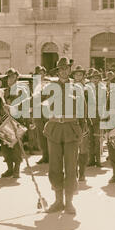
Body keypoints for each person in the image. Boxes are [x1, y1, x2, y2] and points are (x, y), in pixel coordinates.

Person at [42, 57, 86, 214]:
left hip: (71, 129)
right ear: (58, 71)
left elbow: (83, 111)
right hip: (54, 129)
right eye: (61, 69)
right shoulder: (50, 87)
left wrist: (82, 131)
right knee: (54, 166)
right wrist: (12, 107)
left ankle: (69, 202)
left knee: (71, 166)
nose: (64, 71)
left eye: (66, 68)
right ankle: (58, 201)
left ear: (70, 70)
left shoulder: (77, 88)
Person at [0, 68, 24, 179]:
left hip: (16, 121)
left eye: (12, 77)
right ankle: (9, 169)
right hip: (5, 121)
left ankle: (17, 170)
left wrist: (12, 108)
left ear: (17, 78)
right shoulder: (4, 92)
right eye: (8, 77)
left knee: (16, 147)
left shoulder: (21, 91)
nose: (10, 79)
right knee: (6, 147)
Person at [71, 65, 90, 182]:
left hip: (84, 121)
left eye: (80, 74)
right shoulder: (69, 88)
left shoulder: (88, 89)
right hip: (72, 122)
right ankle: (73, 172)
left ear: (83, 76)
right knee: (72, 149)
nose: (78, 76)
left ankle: (82, 172)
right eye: (76, 74)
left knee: (83, 149)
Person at [86, 69, 104, 167]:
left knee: (97, 139)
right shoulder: (87, 89)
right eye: (94, 78)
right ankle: (91, 159)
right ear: (91, 79)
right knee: (90, 139)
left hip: (99, 116)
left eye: (97, 78)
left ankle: (98, 160)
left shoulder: (103, 89)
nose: (95, 80)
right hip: (89, 116)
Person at [33, 66, 49, 164]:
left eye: (42, 73)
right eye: (38, 73)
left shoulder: (48, 83)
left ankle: (50, 155)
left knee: (48, 133)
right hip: (37, 111)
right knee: (40, 135)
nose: (40, 75)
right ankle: (44, 155)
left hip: (46, 111)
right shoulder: (35, 85)